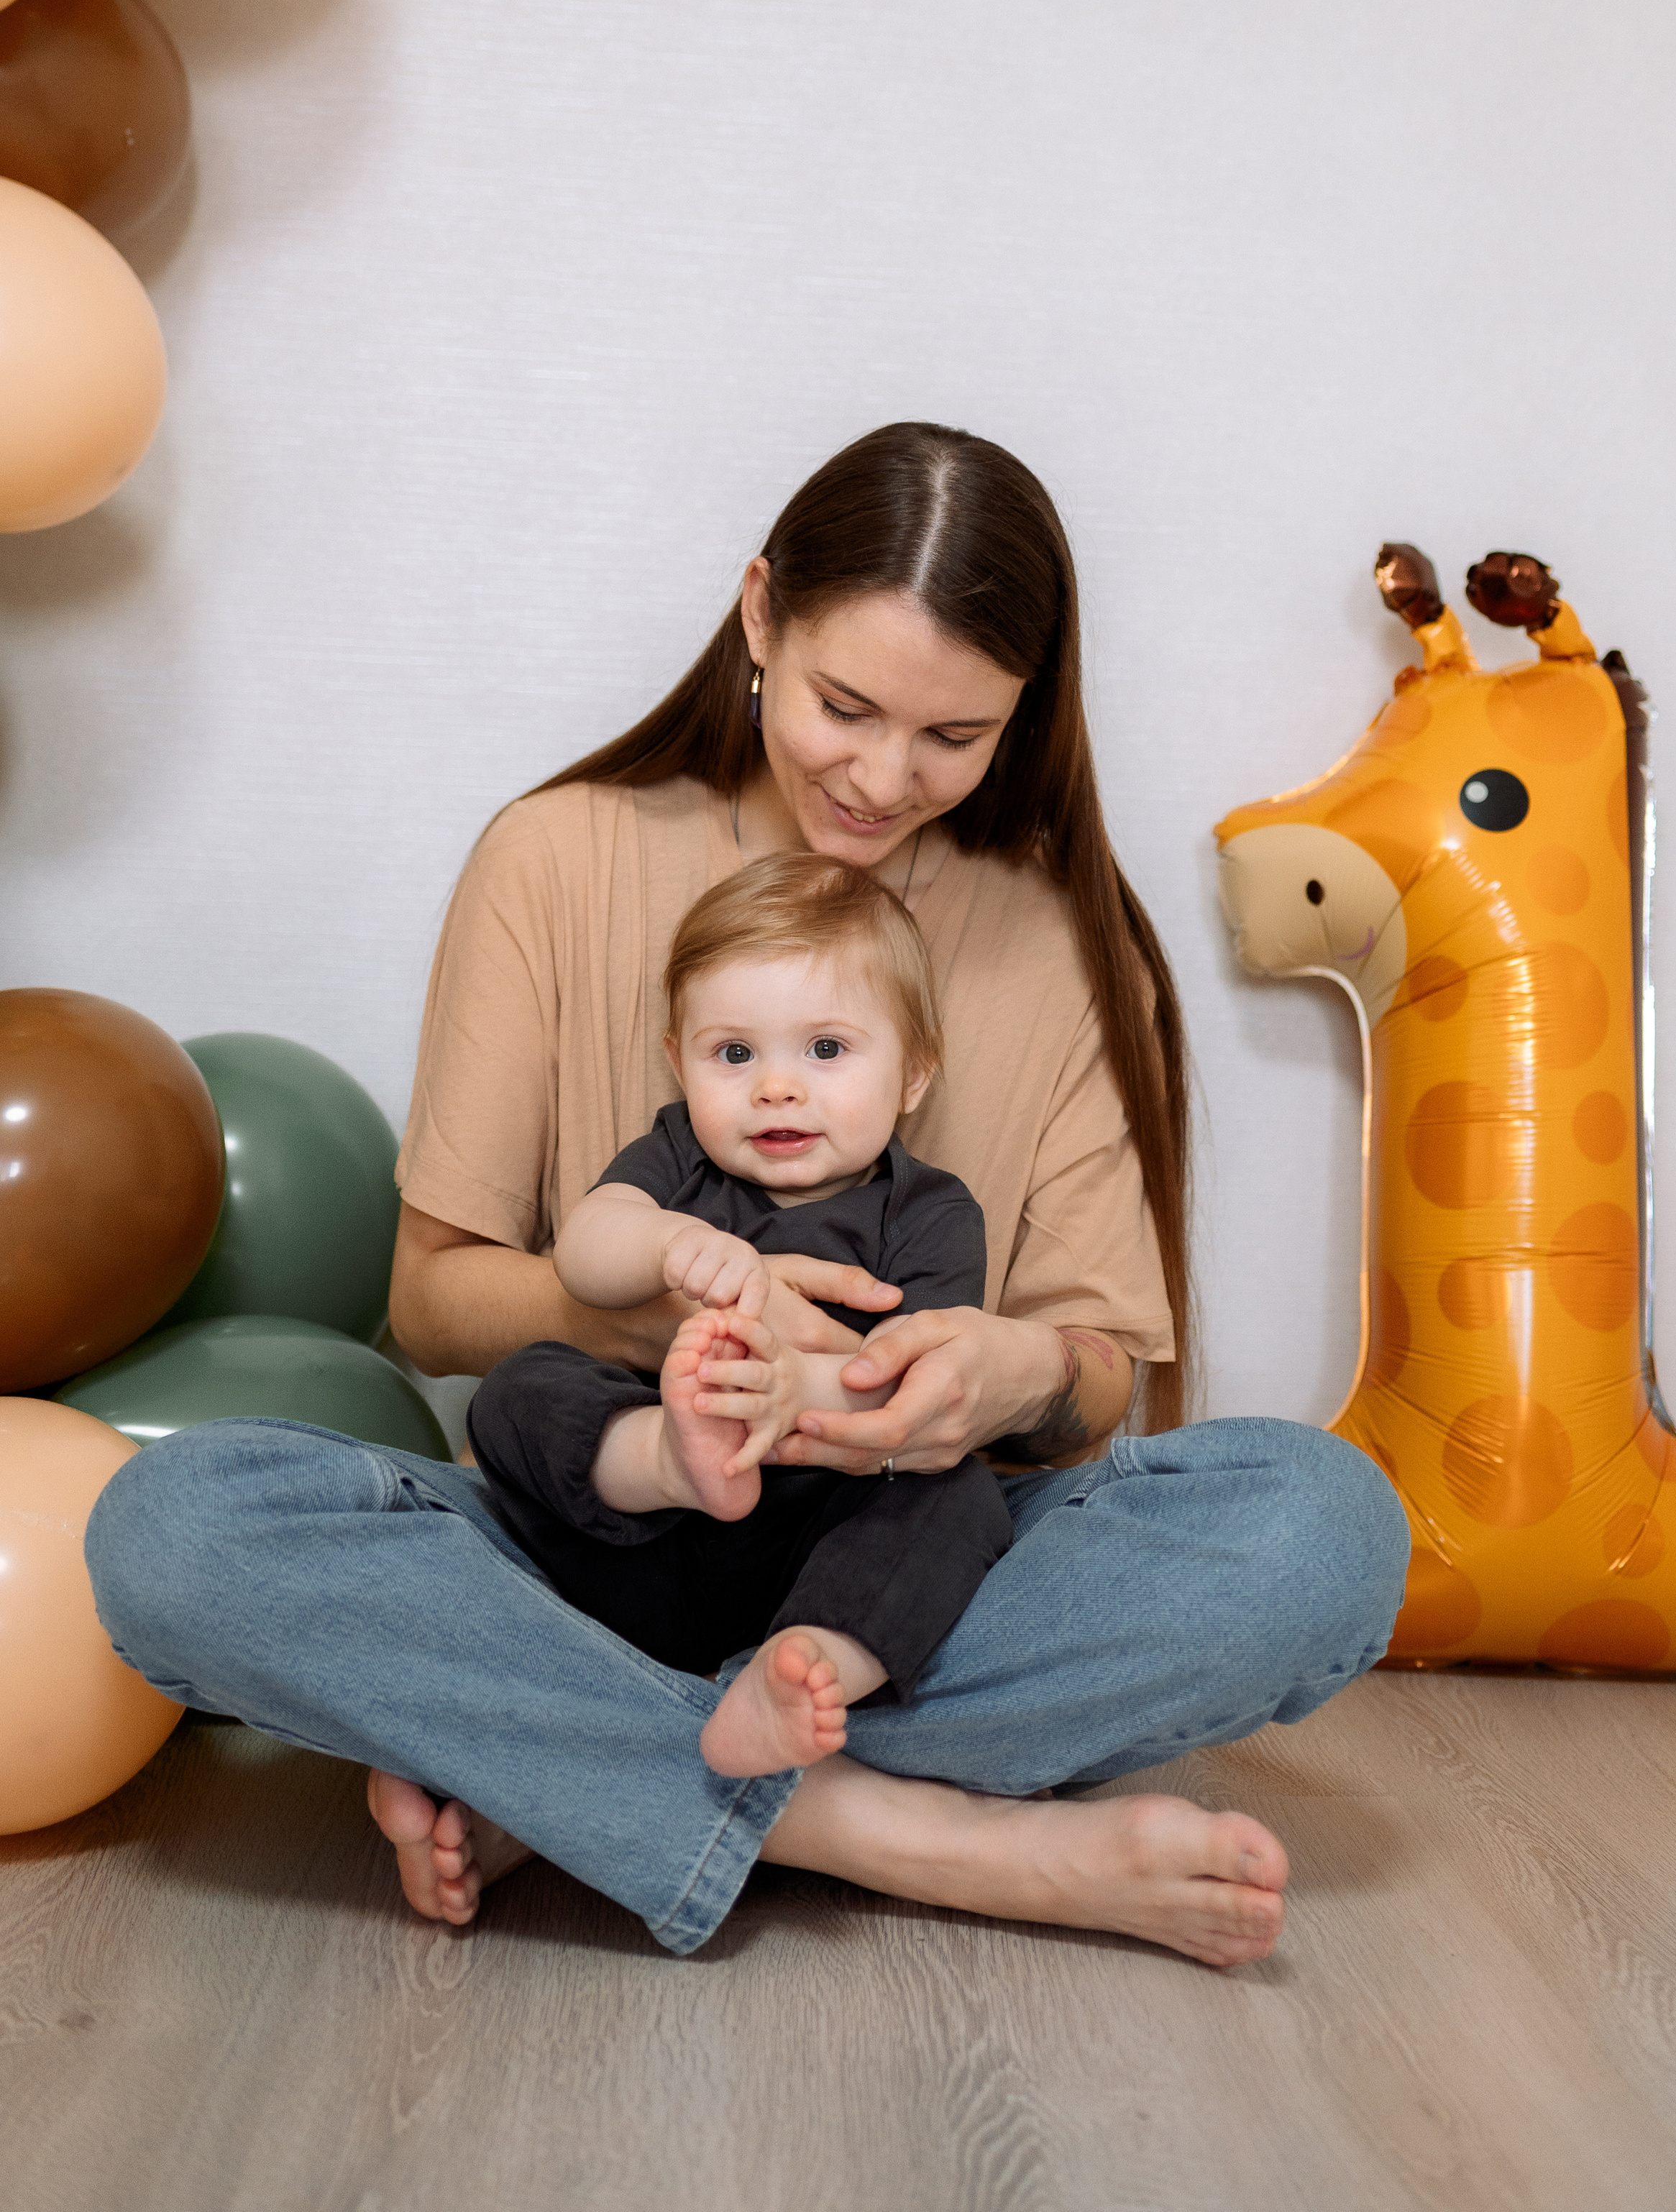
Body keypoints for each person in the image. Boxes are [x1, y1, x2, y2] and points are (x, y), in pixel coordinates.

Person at [86, 420, 1409, 1972]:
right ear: (760, 615)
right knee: (173, 1528)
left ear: (1022, 715)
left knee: (1323, 1533)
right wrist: (679, 1312)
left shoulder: (1061, 937)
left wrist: (1012, 1370)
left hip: (893, 1570)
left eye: (951, 737)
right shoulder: (553, 858)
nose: (879, 776)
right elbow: (435, 1297)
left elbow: (1101, 1374)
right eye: (845, 705)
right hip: (597, 1538)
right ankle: (900, 1831)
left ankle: (561, 1770)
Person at [467, 850, 1015, 1780]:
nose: (776, 1087)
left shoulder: (929, 1211)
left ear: (914, 1073)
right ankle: (672, 1457)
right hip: (642, 1530)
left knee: (956, 1496)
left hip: (817, 1528)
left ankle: (804, 1669)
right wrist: (662, 1245)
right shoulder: (679, 1158)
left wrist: (782, 1387)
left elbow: (920, 1384)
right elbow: (586, 1254)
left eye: (827, 1050)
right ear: (679, 1062)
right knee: (519, 1386)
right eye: (734, 1054)